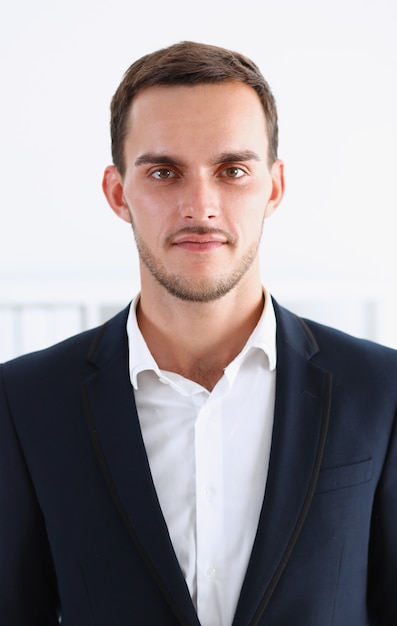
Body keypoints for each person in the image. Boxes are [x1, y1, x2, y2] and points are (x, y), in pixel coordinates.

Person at [1, 40, 396, 626]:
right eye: (164, 172)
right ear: (118, 193)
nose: (200, 205)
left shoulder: (382, 389)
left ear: (274, 187)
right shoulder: (25, 401)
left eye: (232, 170)